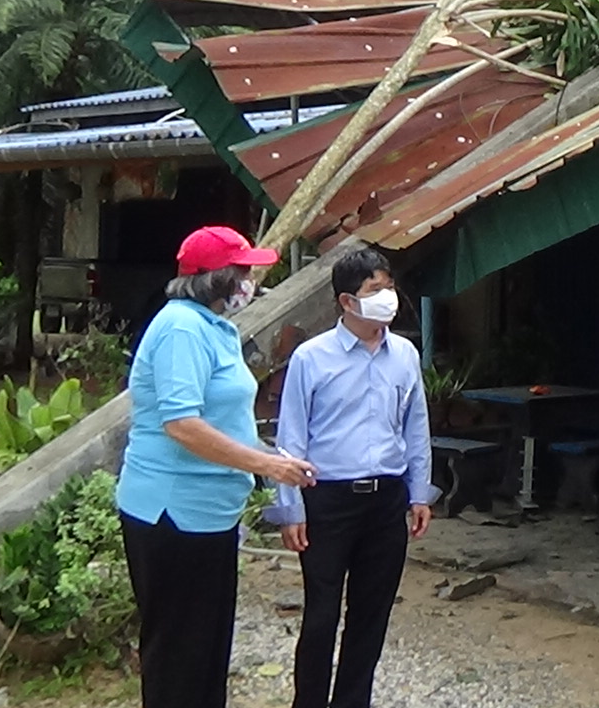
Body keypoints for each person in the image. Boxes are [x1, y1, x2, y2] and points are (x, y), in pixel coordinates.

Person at [117, 226, 316, 708]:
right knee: (179, 652)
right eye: (243, 272)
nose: (250, 282)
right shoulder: (181, 330)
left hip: (210, 512)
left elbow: (224, 417)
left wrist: (272, 457)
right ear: (216, 279)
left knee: (206, 648)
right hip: (173, 511)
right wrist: (265, 464)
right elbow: (182, 425)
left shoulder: (213, 328)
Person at [270, 246, 436, 708]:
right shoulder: (311, 358)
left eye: (389, 287)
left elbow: (416, 426)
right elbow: (291, 437)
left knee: (371, 615)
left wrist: (420, 493)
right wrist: (290, 508)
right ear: (347, 301)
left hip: (386, 500)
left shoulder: (404, 355)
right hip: (328, 501)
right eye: (374, 289)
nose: (387, 297)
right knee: (322, 615)